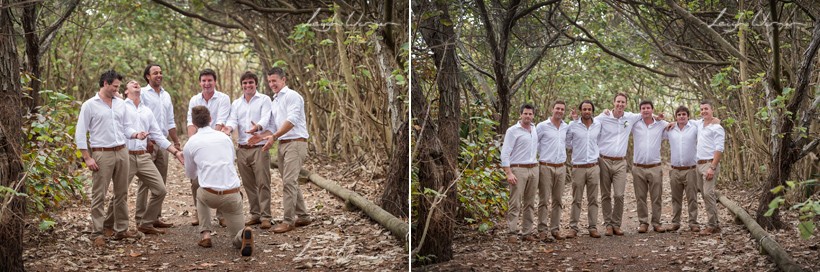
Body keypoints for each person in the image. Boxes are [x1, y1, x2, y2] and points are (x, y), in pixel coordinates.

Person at [103, 81, 184, 236]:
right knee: (120, 194)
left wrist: (175, 152)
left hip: (144, 157)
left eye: (137, 83)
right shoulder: (120, 106)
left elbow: (158, 136)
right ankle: (107, 225)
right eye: (131, 83)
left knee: (160, 190)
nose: (136, 83)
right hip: (126, 156)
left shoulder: (147, 111)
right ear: (125, 91)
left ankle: (145, 223)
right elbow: (109, 94)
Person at [75, 70, 140, 246]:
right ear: (105, 83)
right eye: (115, 86)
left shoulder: (121, 104)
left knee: (122, 193)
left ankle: (121, 230)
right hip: (101, 153)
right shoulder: (89, 105)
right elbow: (80, 133)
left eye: (118, 87)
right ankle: (97, 233)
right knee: (99, 194)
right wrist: (87, 157)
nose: (117, 90)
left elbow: (126, 128)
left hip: (122, 151)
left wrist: (136, 135)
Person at [183, 105, 254, 256]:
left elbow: (190, 173)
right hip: (232, 194)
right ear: (210, 119)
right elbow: (231, 159)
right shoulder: (224, 138)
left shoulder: (191, 143)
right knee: (237, 238)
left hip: (209, 194)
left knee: (199, 194)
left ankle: (206, 235)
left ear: (193, 123)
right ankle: (242, 236)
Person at [248, 67, 312, 234]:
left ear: (284, 80)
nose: (272, 84)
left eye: (275, 81)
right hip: (283, 143)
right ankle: (303, 216)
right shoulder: (275, 100)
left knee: (289, 182)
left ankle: (288, 220)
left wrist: (274, 137)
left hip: (296, 143)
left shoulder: (292, 96)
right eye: (269, 81)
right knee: (290, 181)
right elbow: (275, 127)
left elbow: (291, 121)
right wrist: (261, 136)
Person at [224, 71, 273, 229]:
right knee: (248, 184)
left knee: (263, 182)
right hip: (242, 149)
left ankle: (266, 216)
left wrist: (257, 127)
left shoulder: (264, 99)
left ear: (256, 84)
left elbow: (266, 117)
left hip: (259, 148)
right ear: (241, 85)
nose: (248, 86)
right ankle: (255, 214)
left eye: (251, 82)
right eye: (245, 83)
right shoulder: (237, 103)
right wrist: (228, 128)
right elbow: (232, 119)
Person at [186, 68, 231, 226]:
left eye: (209, 80)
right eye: (204, 81)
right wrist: (193, 144)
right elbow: (191, 124)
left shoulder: (223, 98)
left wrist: (210, 142)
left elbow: (220, 122)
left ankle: (222, 214)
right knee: (196, 181)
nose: (207, 83)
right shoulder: (194, 100)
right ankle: (199, 212)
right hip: (199, 145)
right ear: (200, 82)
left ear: (215, 82)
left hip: (218, 143)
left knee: (219, 176)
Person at [139, 64, 179, 228]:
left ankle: (154, 217)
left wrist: (175, 141)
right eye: (155, 73)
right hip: (147, 143)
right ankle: (141, 218)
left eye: (161, 72)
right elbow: (138, 117)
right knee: (145, 182)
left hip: (163, 143)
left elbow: (170, 121)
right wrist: (146, 141)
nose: (159, 75)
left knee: (160, 181)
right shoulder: (142, 93)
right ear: (148, 76)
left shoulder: (166, 95)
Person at [594, 93, 639, 236]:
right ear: (613, 102)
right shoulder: (603, 117)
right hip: (604, 160)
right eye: (618, 101)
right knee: (605, 194)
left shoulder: (630, 118)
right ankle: (608, 224)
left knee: (619, 195)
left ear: (626, 104)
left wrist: (662, 119)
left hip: (621, 162)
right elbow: (588, 124)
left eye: (623, 102)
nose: (620, 104)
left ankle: (616, 224)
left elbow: (647, 113)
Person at [498, 104, 539, 242]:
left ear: (533, 115)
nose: (528, 116)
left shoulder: (534, 129)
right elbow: (505, 153)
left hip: (533, 168)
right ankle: (512, 233)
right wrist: (509, 173)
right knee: (515, 202)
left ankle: (527, 232)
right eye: (525, 113)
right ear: (520, 114)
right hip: (518, 169)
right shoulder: (513, 131)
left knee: (530, 202)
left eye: (530, 114)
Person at [630, 101, 669, 234]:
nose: (645, 110)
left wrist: (660, 118)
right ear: (640, 110)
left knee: (656, 196)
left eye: (648, 108)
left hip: (655, 166)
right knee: (640, 196)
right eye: (643, 108)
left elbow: (673, 126)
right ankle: (643, 222)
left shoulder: (660, 124)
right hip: (638, 167)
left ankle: (656, 223)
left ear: (653, 110)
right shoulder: (635, 124)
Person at [565, 100, 602, 238]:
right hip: (578, 167)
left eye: (589, 109)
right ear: (581, 110)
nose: (587, 111)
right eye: (584, 109)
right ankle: (573, 227)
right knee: (577, 199)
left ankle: (592, 227)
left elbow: (600, 140)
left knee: (593, 199)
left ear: (592, 111)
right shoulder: (573, 125)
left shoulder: (598, 125)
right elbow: (567, 143)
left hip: (593, 166)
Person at [534, 100, 569, 241]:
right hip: (546, 166)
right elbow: (533, 143)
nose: (559, 111)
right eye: (557, 108)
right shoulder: (542, 126)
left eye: (562, 109)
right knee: (544, 199)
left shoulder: (566, 127)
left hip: (561, 167)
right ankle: (542, 230)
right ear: (552, 109)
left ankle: (555, 229)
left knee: (558, 200)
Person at [663, 106, 700, 233]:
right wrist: (667, 123)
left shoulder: (694, 128)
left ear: (688, 116)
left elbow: (705, 123)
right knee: (676, 198)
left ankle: (693, 222)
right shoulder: (670, 130)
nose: (681, 116)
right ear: (676, 117)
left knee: (692, 197)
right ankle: (675, 222)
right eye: (679, 115)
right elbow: (657, 130)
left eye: (684, 114)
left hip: (690, 170)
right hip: (675, 170)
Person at [694, 100, 725, 235]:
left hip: (709, 164)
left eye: (706, 109)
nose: (703, 111)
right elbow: (684, 122)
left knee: (708, 193)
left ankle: (712, 225)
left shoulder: (717, 128)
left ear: (712, 110)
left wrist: (712, 167)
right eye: (701, 109)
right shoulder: (699, 124)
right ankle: (715, 223)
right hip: (698, 164)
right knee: (704, 194)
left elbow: (719, 148)